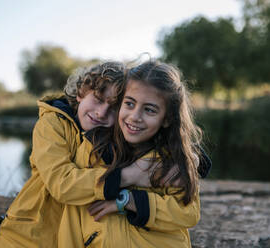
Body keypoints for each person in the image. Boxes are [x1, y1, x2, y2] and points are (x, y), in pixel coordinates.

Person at [0, 61, 157, 248]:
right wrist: (129, 176)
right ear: (80, 94)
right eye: (98, 99)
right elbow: (61, 183)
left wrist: (193, 160)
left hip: (79, 238)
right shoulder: (52, 124)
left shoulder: (119, 134)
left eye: (113, 108)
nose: (101, 113)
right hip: (29, 237)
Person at [57, 60, 209, 247]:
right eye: (129, 104)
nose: (135, 116)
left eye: (149, 110)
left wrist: (128, 201)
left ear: (167, 119)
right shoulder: (93, 149)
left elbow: (187, 214)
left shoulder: (172, 161)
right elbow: (72, 215)